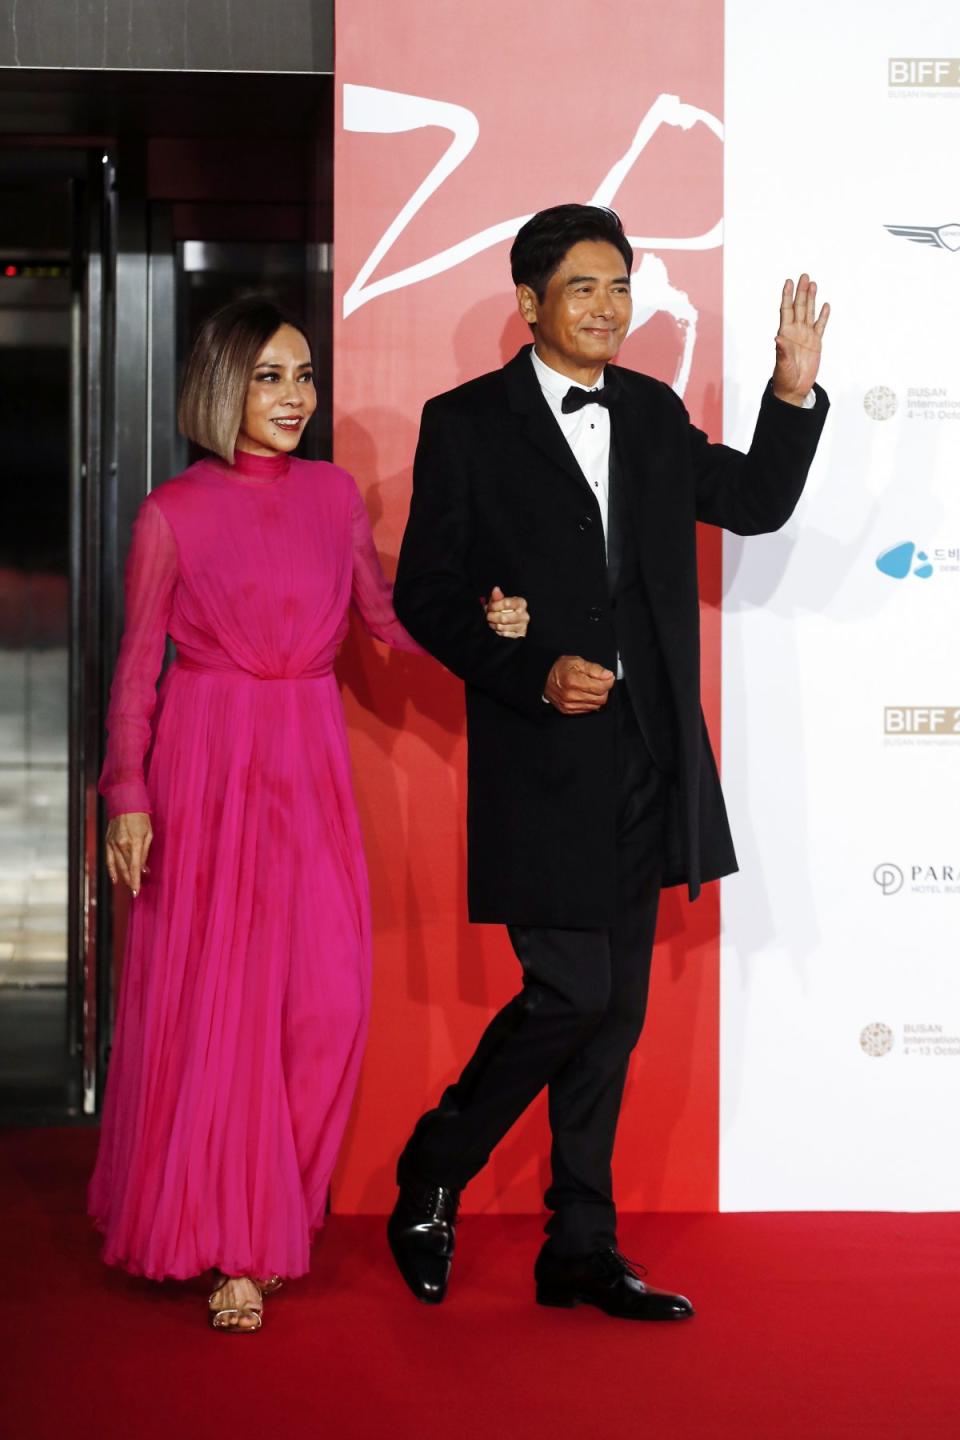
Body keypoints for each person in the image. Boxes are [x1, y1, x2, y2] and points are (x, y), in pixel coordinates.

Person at [387, 204, 830, 1320]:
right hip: (543, 762)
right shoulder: (467, 425)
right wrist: (532, 667)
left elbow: (753, 502)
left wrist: (791, 392)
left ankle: (580, 1244)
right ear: (530, 304)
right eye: (583, 288)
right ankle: (436, 1167)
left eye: (620, 287)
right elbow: (426, 598)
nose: (607, 308)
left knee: (617, 1012)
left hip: (648, 758)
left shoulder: (649, 408)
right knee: (572, 992)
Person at [88, 296, 529, 1332]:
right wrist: (127, 793)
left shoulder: (333, 498)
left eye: (304, 376)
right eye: (271, 376)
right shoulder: (172, 514)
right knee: (221, 1017)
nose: (295, 396)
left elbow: (383, 621)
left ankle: (275, 1210)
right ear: (220, 385)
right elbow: (135, 674)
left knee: (325, 1007)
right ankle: (241, 1251)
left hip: (307, 766)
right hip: (203, 771)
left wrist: (481, 625)